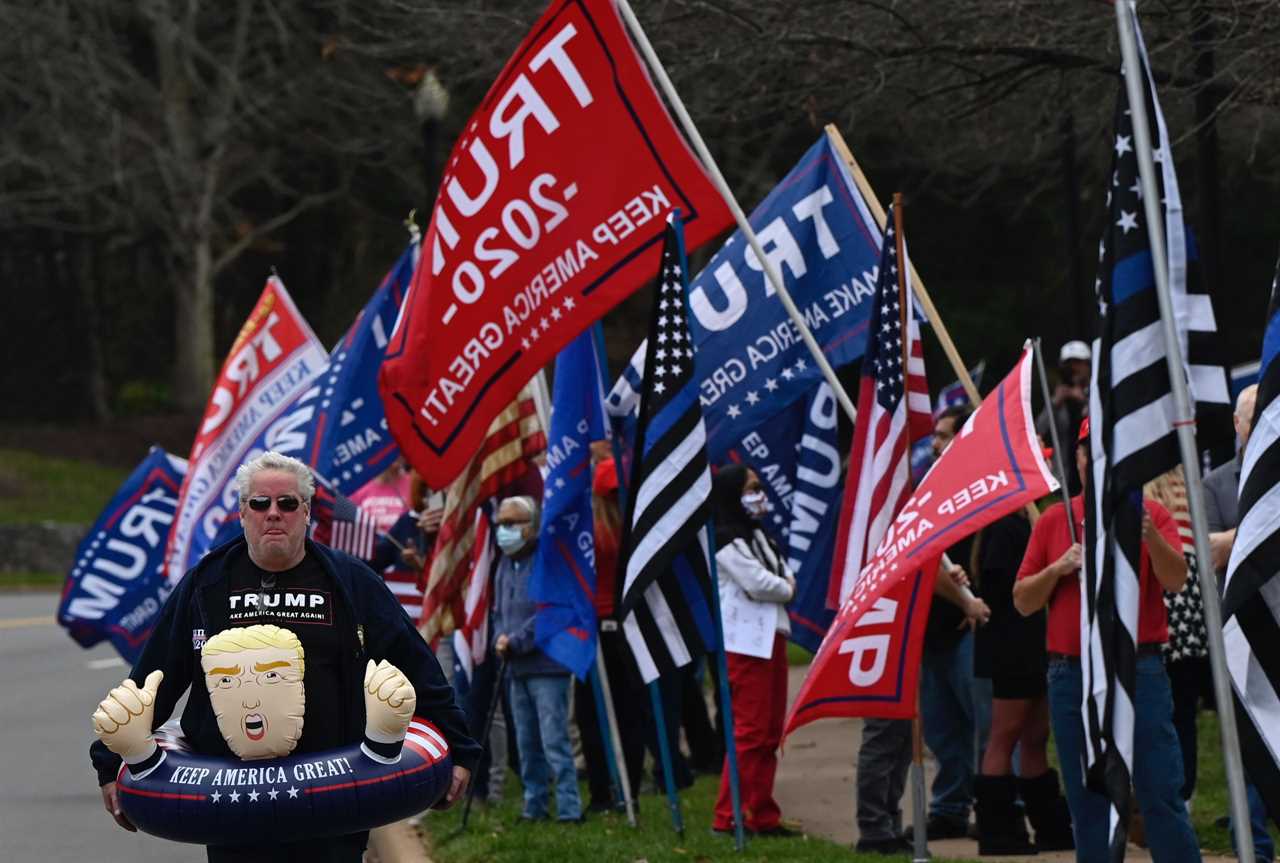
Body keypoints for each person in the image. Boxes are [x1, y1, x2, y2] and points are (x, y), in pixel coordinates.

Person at [88, 451, 478, 863]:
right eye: (260, 503)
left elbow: (417, 667)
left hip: (334, 794)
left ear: (306, 512)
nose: (273, 513)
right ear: (243, 512)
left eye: (287, 503)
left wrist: (461, 749)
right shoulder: (207, 584)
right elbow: (153, 679)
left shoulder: (350, 581)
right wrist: (111, 762)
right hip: (229, 800)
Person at [1013, 420, 1201, 862]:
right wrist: (1056, 569)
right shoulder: (1055, 519)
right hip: (1072, 671)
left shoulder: (1153, 515)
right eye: (1087, 451)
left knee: (1159, 790)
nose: (1095, 460)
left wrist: (1151, 538)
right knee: (1087, 796)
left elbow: (1176, 581)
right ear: (1077, 460)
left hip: (1141, 666)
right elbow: (1022, 600)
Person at [1197, 384, 1274, 863]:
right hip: (1240, 630)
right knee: (1249, 742)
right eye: (1254, 416)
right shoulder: (1217, 484)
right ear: (1237, 424)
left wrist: (1240, 539)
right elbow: (1206, 547)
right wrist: (1260, 533)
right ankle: (1255, 851)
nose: (1262, 423)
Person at [972, 506, 1073, 855]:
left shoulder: (1022, 520)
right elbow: (1003, 585)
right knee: (1005, 734)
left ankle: (1049, 824)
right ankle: (997, 829)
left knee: (1035, 735)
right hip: (1010, 644)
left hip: (1033, 642)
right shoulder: (1000, 524)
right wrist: (1052, 572)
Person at [709, 465, 798, 837]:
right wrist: (784, 586)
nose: (759, 495)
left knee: (769, 733)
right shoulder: (725, 540)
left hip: (770, 636)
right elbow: (760, 583)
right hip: (744, 644)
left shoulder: (757, 535)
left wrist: (782, 584)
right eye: (751, 488)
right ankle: (727, 816)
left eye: (760, 488)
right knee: (749, 731)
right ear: (732, 494)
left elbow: (783, 576)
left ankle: (762, 813)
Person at [491, 495, 583, 823]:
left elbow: (552, 611)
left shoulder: (549, 560)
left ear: (531, 527)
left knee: (554, 739)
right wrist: (499, 639)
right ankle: (535, 806)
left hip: (547, 666)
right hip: (515, 666)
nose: (505, 530)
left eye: (512, 523)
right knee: (527, 742)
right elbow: (499, 611)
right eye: (501, 523)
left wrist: (514, 640)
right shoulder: (504, 562)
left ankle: (570, 809)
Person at [916, 405, 982, 840]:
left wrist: (970, 598)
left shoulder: (984, 489)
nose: (934, 444)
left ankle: (998, 802)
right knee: (941, 728)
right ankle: (950, 807)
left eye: (942, 436)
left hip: (970, 627)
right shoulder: (926, 490)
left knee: (983, 723)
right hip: (931, 629)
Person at [1145, 468, 1210, 811]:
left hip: (1165, 597)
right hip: (1187, 602)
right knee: (1181, 709)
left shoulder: (1141, 476)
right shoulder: (1188, 479)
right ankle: (1180, 794)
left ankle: (1168, 794)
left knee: (1166, 708)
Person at [367, 470, 442, 620]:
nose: (431, 499)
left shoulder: (454, 525)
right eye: (426, 492)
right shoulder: (407, 522)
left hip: (440, 613)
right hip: (407, 614)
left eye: (437, 493)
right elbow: (376, 560)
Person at [1036, 341, 1090, 469]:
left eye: (1077, 362)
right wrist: (1055, 403)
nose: (1073, 368)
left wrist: (1084, 400)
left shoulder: (1097, 392)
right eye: (1068, 364)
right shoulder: (1059, 398)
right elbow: (1039, 430)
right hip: (1065, 474)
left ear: (1088, 364)